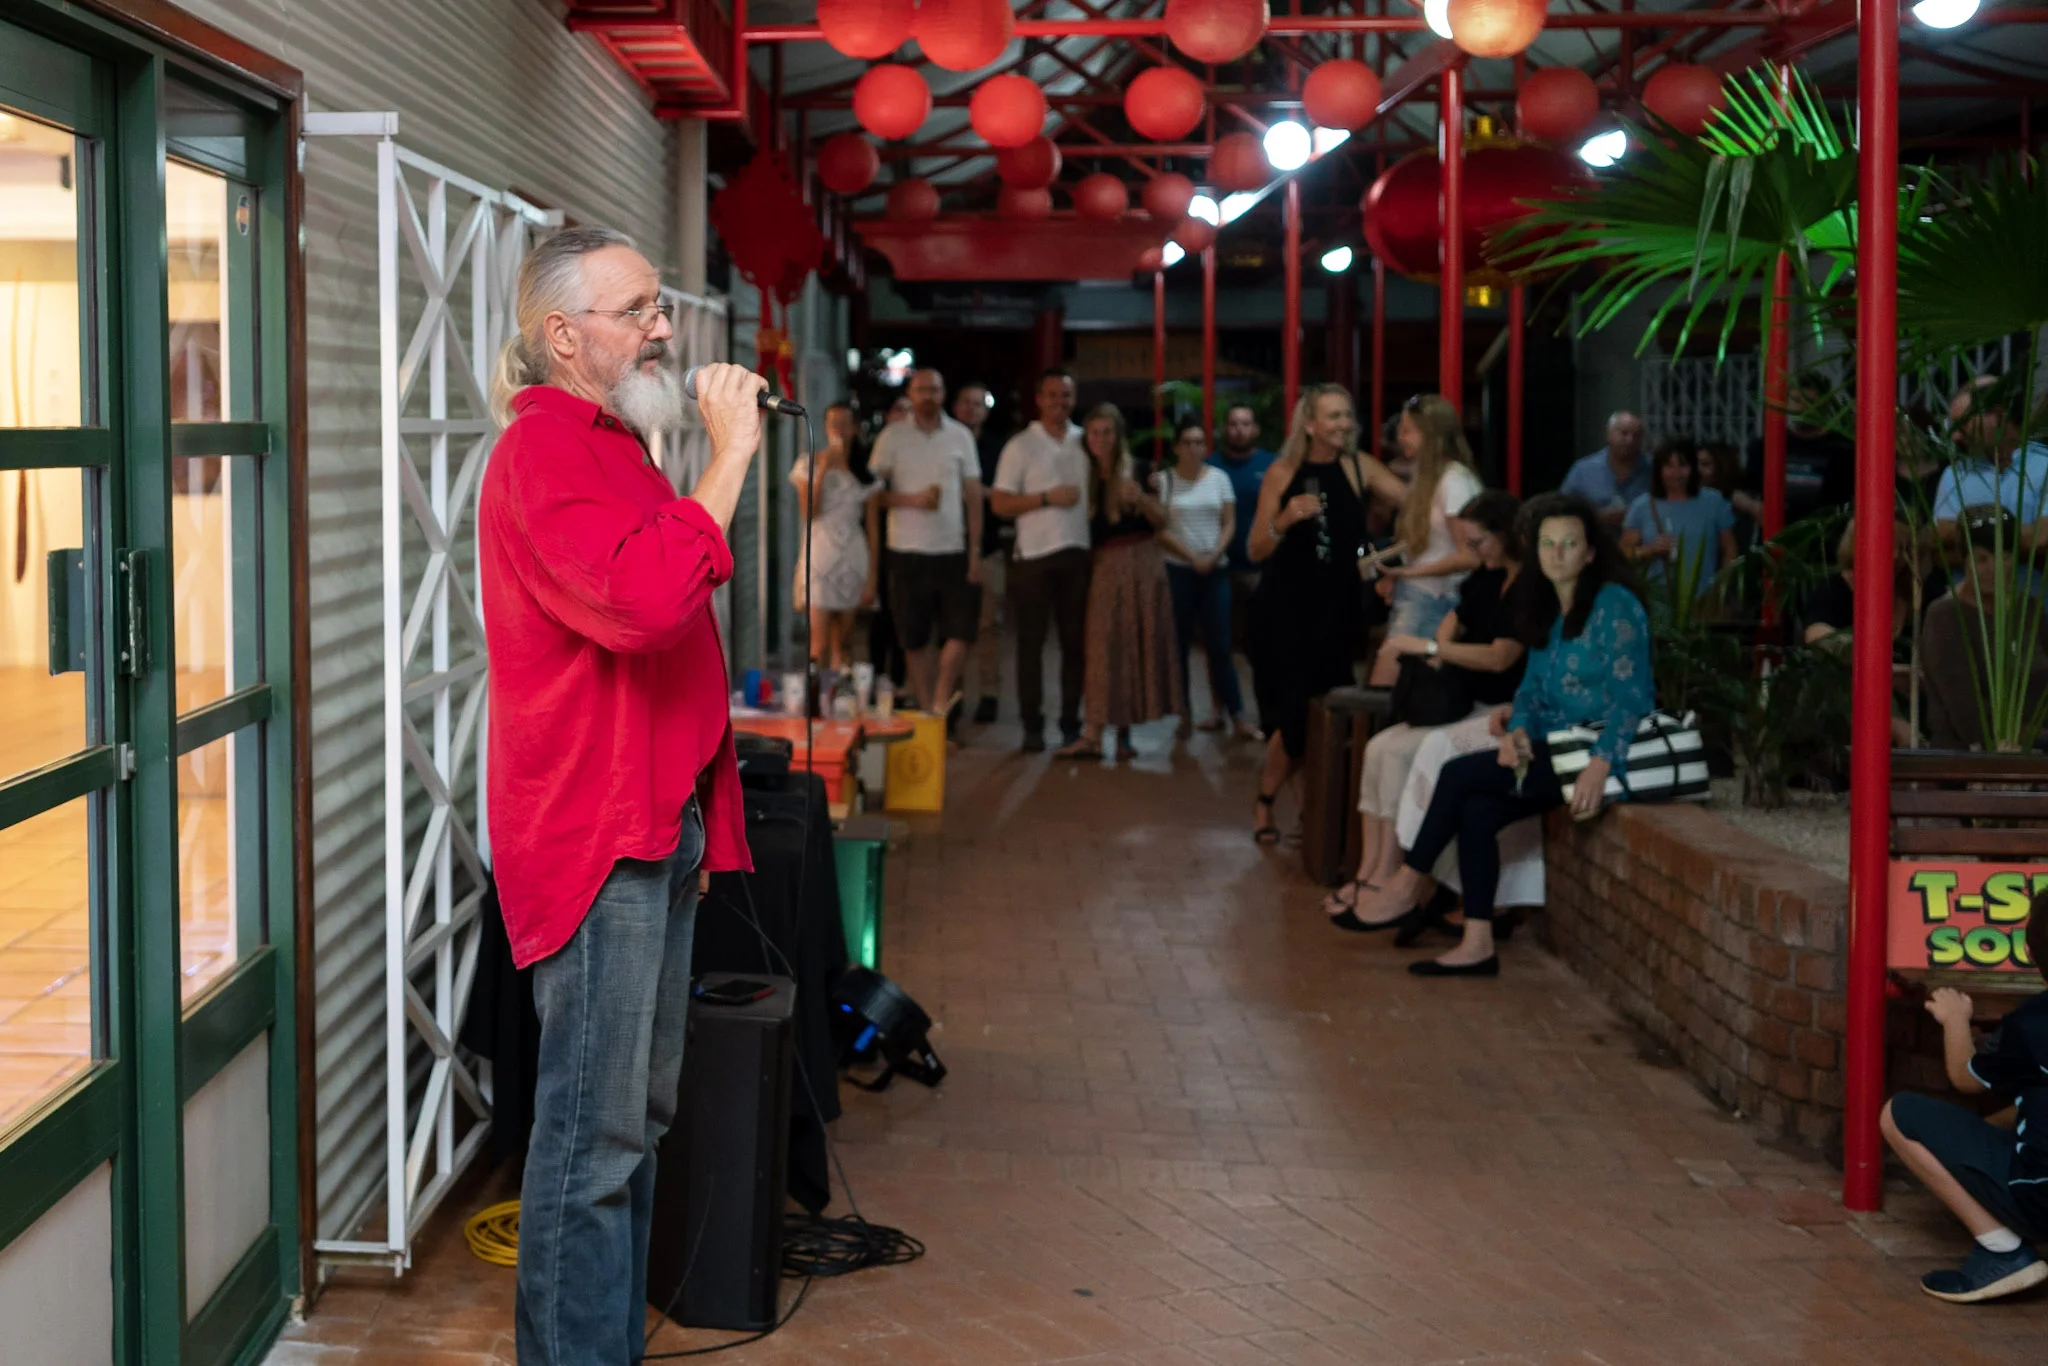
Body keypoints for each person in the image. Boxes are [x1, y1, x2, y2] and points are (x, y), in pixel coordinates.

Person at [477, 225, 760, 1366]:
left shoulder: (612, 442)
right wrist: (729, 454)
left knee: (634, 1127)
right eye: (637, 307)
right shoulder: (541, 456)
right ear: (563, 335)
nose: (662, 326)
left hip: (655, 818)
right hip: (596, 834)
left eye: (656, 303)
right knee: (590, 1147)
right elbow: (646, 604)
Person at [1350, 494, 1653, 977]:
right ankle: (1477, 943)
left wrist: (1602, 761)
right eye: (1547, 544)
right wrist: (1515, 731)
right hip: (1546, 749)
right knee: (1477, 811)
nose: (1556, 554)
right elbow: (1531, 690)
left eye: (1569, 544)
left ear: (1590, 552)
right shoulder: (1547, 605)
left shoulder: (1615, 607)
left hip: (1586, 756)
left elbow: (1632, 695)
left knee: (1457, 774)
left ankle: (1409, 883)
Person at [1326, 490, 1528, 922]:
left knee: (1404, 752)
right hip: (1467, 700)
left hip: (1498, 705)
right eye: (1468, 544)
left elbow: (1500, 657)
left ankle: (1404, 876)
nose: (1473, 552)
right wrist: (1439, 644)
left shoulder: (1526, 589)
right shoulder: (1485, 578)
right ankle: (1372, 868)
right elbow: (1455, 621)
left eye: (1478, 543)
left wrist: (1434, 646)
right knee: (1379, 747)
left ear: (1507, 535)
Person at [1245, 384, 1407, 842]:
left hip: (1335, 614)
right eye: (1332, 416)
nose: (1342, 424)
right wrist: (1287, 518)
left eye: (1347, 415)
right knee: (1295, 717)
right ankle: (1265, 803)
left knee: (1325, 713)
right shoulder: (1283, 473)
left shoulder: (1360, 468)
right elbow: (1256, 547)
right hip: (1284, 612)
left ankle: (1309, 811)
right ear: (1310, 424)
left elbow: (1417, 502)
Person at [1883, 893, 2048, 1303]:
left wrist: (1955, 1020)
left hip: (2042, 1201)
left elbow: (1964, 1077)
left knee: (1899, 1114)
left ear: (2030, 952)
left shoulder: (2030, 1024)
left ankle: (2002, 1252)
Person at [1057, 403, 1183, 760]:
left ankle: (1124, 734)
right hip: (1103, 564)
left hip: (1142, 562)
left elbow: (1162, 522)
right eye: (1094, 433)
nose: (1100, 440)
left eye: (1107, 432)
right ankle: (1094, 731)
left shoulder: (1139, 470)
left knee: (1133, 643)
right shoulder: (1083, 474)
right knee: (1102, 646)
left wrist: (1141, 498)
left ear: (1118, 435)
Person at [864, 368, 984, 729]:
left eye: (935, 389)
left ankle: (937, 700)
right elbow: (871, 496)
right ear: (911, 394)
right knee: (913, 637)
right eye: (921, 390)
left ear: (944, 394)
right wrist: (912, 499)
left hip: (952, 549)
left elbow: (974, 497)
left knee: (961, 633)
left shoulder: (961, 436)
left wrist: (975, 550)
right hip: (905, 549)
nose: (929, 396)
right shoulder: (892, 436)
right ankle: (931, 717)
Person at [990, 369, 1090, 752]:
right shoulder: (1020, 446)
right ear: (1038, 399)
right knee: (1030, 646)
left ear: (1073, 399)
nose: (1058, 402)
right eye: (1051, 395)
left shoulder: (1087, 442)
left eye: (1065, 396)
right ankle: (1032, 725)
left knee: (1075, 646)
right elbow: (1000, 503)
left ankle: (1070, 722)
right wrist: (1046, 498)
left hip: (1079, 554)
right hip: (1033, 557)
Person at [1368, 394, 1483, 685]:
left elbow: (1469, 556)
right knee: (1395, 683)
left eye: (1408, 430)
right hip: (1420, 594)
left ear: (1431, 434)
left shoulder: (1454, 481)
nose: (1400, 437)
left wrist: (1406, 572)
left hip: (1433, 598)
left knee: (1390, 682)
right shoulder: (1431, 477)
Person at [1156, 420, 1255, 739]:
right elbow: (1160, 531)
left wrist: (1213, 554)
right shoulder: (1164, 482)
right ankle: (1182, 712)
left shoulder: (1218, 479)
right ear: (1176, 447)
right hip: (1178, 570)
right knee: (1179, 645)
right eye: (1187, 442)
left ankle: (1236, 714)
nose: (1194, 448)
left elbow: (1229, 522)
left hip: (1215, 569)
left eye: (1200, 442)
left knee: (1220, 645)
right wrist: (1190, 556)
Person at [1922, 505, 2048, 751]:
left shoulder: (2030, 610)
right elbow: (1967, 715)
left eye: (2004, 556)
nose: (1994, 568)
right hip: (1973, 760)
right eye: (1981, 559)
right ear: (1964, 559)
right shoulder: (1945, 617)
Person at [790, 401, 878, 670]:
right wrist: (823, 468)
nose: (839, 429)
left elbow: (873, 529)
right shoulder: (809, 464)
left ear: (854, 428)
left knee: (846, 641)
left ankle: (842, 700)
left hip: (852, 554)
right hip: (819, 554)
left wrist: (872, 577)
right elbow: (809, 512)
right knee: (819, 640)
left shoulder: (866, 474)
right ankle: (816, 701)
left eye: (844, 423)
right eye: (833, 423)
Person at [1620, 437, 1739, 600]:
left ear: (1693, 468)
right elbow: (1623, 554)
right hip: (1657, 604)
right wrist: (1650, 550)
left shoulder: (1714, 501)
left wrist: (1721, 590)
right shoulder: (1642, 506)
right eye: (1669, 466)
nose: (1676, 473)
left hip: (1704, 602)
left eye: (1682, 465)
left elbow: (1730, 549)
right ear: (1659, 470)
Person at [956, 380, 1010, 724]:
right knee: (954, 626)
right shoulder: (946, 443)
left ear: (986, 411)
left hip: (989, 548)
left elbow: (1004, 497)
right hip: (950, 548)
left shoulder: (997, 449)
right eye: (966, 402)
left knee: (990, 625)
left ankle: (989, 693)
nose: (972, 409)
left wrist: (979, 493)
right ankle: (955, 695)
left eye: (978, 404)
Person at [1208, 402, 1276, 652]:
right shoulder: (1209, 467)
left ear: (1255, 429)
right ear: (1225, 429)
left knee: (1261, 647)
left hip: (1259, 570)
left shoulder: (1272, 467)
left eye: (1245, 424)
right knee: (1220, 648)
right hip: (1218, 568)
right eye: (1234, 424)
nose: (1239, 430)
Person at [1560, 410, 1649, 528]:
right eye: (1624, 433)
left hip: (1642, 543)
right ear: (1608, 434)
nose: (1630, 440)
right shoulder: (1583, 470)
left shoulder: (1653, 469)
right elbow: (1562, 509)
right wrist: (1596, 517)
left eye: (1636, 435)